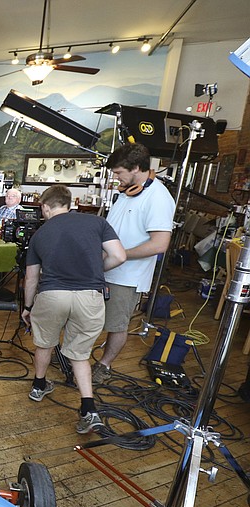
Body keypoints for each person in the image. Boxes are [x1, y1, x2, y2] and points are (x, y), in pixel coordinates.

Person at [21, 185, 126, 434]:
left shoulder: (40, 234)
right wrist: (96, 271)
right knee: (79, 354)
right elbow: (119, 256)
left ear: (46, 207)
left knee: (44, 343)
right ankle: (89, 409)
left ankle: (38, 386)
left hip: (52, 294)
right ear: (69, 204)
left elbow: (31, 277)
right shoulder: (97, 222)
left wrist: (27, 306)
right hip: (89, 296)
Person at [91, 143, 175, 384]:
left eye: (119, 173)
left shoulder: (158, 197)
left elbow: (159, 244)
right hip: (105, 268)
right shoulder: (129, 191)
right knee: (90, 316)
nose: (116, 178)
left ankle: (104, 365)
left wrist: (120, 255)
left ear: (136, 168)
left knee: (117, 324)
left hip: (126, 276)